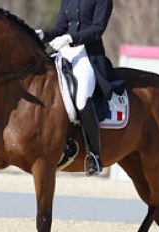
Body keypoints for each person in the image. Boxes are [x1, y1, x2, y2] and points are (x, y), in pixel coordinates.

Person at [36, 0, 125, 175]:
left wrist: (70, 38)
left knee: (82, 99)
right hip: (65, 53)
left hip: (87, 54)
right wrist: (42, 35)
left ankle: (94, 156)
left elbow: (98, 29)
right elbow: (60, 28)